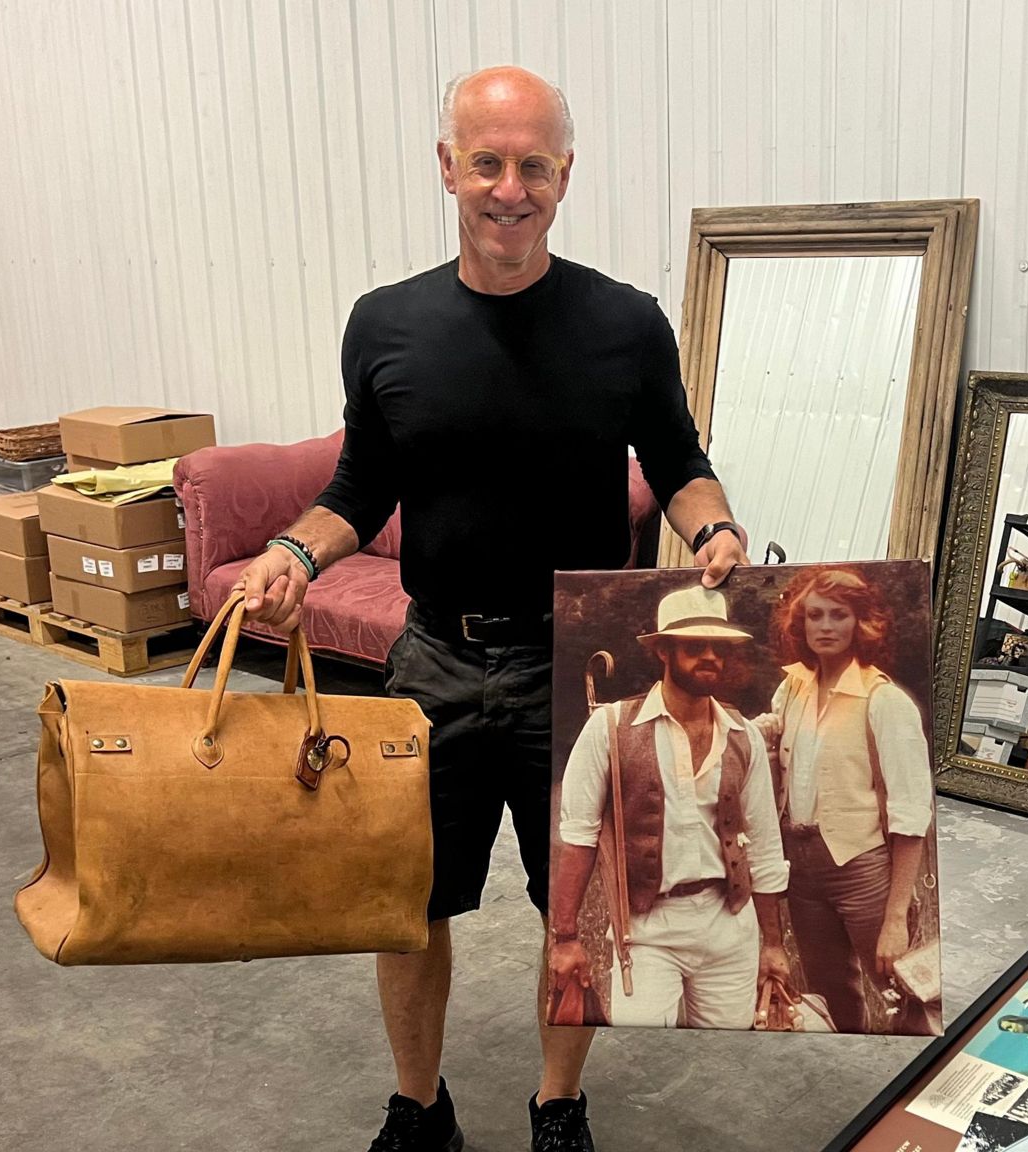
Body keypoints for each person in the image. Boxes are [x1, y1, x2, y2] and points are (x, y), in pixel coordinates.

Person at [232, 65, 752, 1152]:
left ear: (563, 175)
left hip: (585, 667)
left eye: (531, 166)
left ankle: (556, 1104)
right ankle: (419, 1108)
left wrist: (713, 530)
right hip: (431, 664)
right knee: (402, 901)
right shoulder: (385, 325)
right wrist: (293, 549)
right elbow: (358, 487)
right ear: (447, 167)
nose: (507, 189)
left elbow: (680, 462)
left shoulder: (625, 324)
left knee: (582, 903)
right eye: (485, 162)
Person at [550, 585, 792, 1028]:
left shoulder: (744, 735)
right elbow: (579, 838)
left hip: (729, 925)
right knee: (638, 1049)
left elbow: (765, 847)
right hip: (647, 929)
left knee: (725, 1056)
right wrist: (565, 937)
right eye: (695, 646)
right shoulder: (612, 727)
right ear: (663, 650)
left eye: (718, 648)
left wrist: (772, 944)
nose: (710, 658)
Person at [757, 566, 936, 1034]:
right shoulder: (791, 689)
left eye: (839, 615)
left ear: (863, 623)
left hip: (862, 867)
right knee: (830, 989)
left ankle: (915, 1079)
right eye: (814, 615)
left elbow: (912, 815)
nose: (825, 626)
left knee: (902, 985)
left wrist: (895, 918)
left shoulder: (884, 701)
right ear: (800, 624)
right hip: (801, 867)